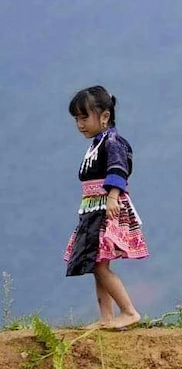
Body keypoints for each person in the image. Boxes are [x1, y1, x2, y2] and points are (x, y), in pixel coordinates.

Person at [64, 86, 148, 329]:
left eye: (84, 117)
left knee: (99, 264)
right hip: (92, 209)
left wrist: (112, 197)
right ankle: (107, 318)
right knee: (97, 262)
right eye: (77, 119)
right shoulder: (97, 143)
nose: (80, 124)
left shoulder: (113, 141)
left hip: (105, 208)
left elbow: (118, 169)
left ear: (104, 117)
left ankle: (129, 311)